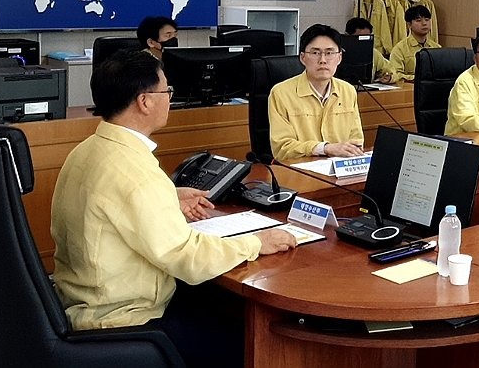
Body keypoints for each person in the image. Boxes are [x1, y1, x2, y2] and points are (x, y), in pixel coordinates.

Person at [51, 51, 296, 367]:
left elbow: (112, 205)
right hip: (124, 317)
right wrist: (256, 243)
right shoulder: (135, 173)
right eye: (166, 90)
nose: (170, 98)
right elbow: (186, 257)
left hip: (83, 300)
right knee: (253, 338)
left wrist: (167, 196)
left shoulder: (88, 150)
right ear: (145, 102)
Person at [268, 24, 365, 160]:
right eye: (315, 53)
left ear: (339, 58)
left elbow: (356, 141)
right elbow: (282, 148)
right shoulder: (281, 93)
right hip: (298, 169)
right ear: (303, 58)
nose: (323, 60)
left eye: (329, 53)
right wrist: (325, 148)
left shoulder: (348, 91)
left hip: (338, 168)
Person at [387, 5, 441, 82]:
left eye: (427, 20)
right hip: (410, 87)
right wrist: (417, 78)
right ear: (409, 24)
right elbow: (396, 74)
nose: (424, 23)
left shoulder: (437, 47)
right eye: (418, 20)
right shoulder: (399, 49)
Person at [344, 17, 393, 84]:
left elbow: (391, 70)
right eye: (360, 38)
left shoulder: (374, 53)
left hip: (367, 89)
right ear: (347, 36)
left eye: (367, 39)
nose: (364, 43)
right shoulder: (336, 54)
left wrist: (389, 77)